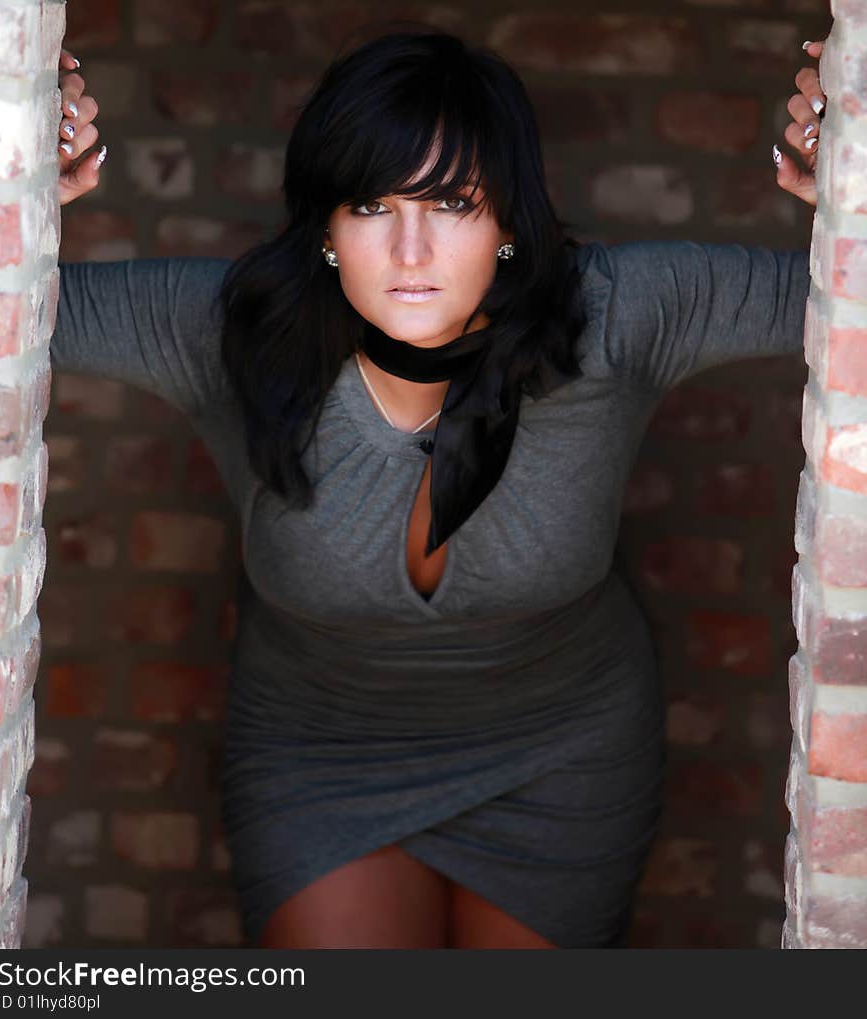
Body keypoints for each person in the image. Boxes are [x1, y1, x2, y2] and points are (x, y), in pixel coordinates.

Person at [50, 31, 826, 949]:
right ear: (327, 230)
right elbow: (3, 309)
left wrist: (849, 197)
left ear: (506, 226)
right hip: (320, 758)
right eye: (372, 203)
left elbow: (847, 305)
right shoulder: (234, 330)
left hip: (562, 755)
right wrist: (17, 189)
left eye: (453, 202)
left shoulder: (619, 315)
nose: (410, 248)